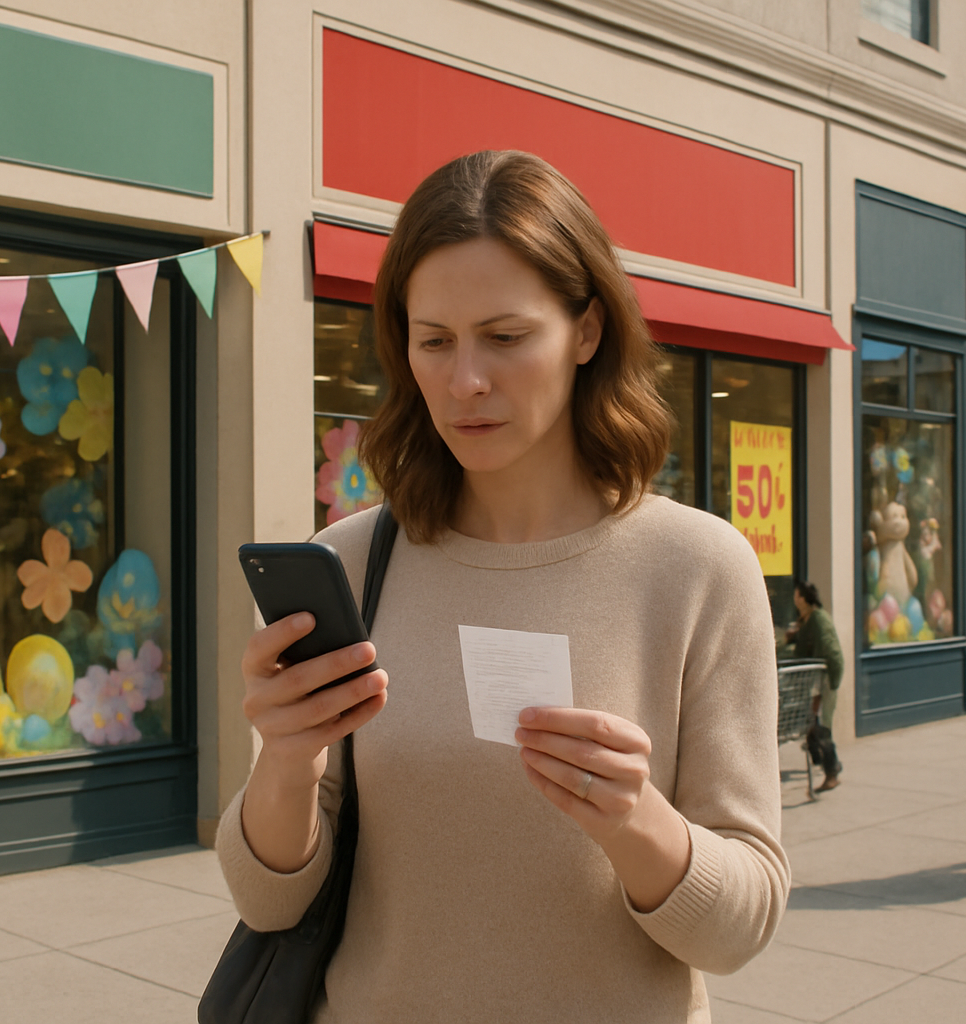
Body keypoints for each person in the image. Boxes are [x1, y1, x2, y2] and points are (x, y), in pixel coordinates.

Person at [217, 151, 787, 1022]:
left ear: (587, 331)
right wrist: (287, 761)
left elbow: (741, 929)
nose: (464, 381)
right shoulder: (355, 561)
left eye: (506, 337)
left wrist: (637, 822)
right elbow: (269, 905)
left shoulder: (699, 568)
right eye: (433, 341)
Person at [783, 581, 844, 791]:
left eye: (796, 594)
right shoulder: (806, 620)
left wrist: (831, 681)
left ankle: (832, 772)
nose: (794, 598)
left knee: (822, 726)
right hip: (815, 680)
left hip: (825, 678)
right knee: (811, 721)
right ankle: (822, 761)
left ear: (802, 597)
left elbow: (830, 650)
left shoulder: (818, 618)